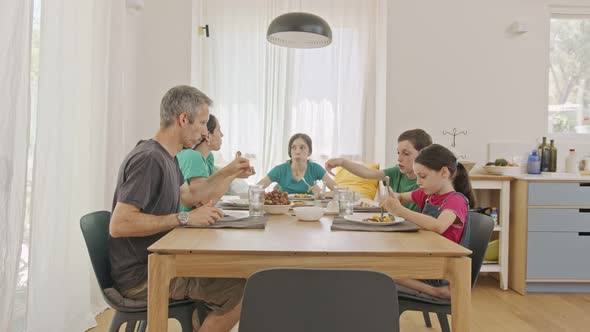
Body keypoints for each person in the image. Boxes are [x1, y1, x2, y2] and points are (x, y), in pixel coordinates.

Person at [109, 85, 251, 332]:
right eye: (203, 123)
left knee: (237, 277)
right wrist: (185, 218)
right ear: (183, 119)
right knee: (246, 288)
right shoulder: (149, 159)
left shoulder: (167, 157)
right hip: (144, 275)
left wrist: (230, 171)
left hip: (156, 262)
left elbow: (191, 194)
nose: (206, 133)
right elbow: (119, 224)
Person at [379, 144, 476, 299]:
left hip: (441, 268)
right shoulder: (428, 195)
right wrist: (393, 197)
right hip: (427, 257)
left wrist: (400, 210)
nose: (418, 182)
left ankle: (436, 291)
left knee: (381, 270)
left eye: (422, 176)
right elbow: (402, 196)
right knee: (380, 265)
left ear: (444, 173)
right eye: (417, 176)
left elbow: (439, 226)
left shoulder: (456, 200)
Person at [324, 129, 432, 210]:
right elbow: (367, 173)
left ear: (424, 154)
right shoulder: (396, 172)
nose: (399, 159)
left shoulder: (431, 182)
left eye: (406, 153)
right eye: (398, 153)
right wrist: (342, 162)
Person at [177, 114, 254, 211]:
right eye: (219, 130)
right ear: (208, 135)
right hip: (187, 223)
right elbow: (204, 202)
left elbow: (212, 197)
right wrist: (230, 172)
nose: (222, 135)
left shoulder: (208, 158)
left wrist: (234, 174)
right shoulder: (192, 156)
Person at [257, 133, 337, 194]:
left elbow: (339, 192)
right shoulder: (279, 170)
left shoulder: (315, 168)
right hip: (284, 212)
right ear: (290, 152)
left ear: (309, 152)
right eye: (293, 148)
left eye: (302, 147)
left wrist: (322, 194)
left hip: (308, 212)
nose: (297, 151)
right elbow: (255, 189)